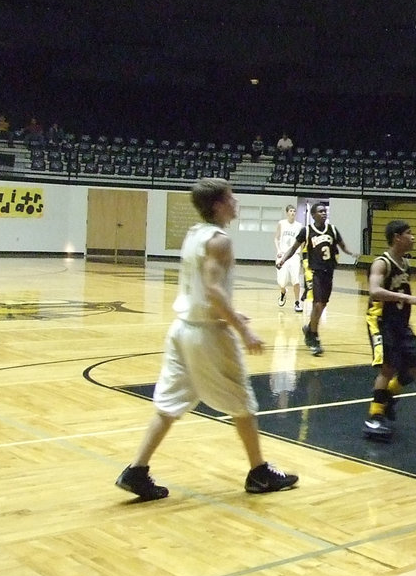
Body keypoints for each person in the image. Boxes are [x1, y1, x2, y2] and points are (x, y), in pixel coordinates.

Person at [115, 178, 298, 501]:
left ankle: (136, 471)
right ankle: (259, 473)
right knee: (243, 403)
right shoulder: (219, 240)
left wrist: (232, 313)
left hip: (182, 329)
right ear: (218, 205)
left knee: (168, 405)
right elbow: (213, 289)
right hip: (207, 335)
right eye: (230, 197)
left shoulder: (194, 233)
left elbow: (202, 289)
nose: (236, 201)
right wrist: (243, 331)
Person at [363, 219, 416, 440]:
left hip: (400, 323)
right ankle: (374, 416)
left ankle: (388, 395)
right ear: (397, 237)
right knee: (388, 367)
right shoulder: (381, 263)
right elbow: (374, 291)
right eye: (409, 233)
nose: (413, 237)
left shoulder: (406, 264)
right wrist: (409, 299)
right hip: (380, 322)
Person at [275, 200, 355, 356]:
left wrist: (351, 253)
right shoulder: (306, 231)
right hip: (314, 272)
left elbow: (342, 245)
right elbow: (293, 248)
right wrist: (282, 260)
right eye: (320, 211)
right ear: (313, 215)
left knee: (323, 304)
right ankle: (313, 337)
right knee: (317, 304)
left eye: (325, 211)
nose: (324, 213)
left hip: (329, 272)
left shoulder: (332, 229)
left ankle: (309, 328)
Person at [274, 204, 303, 311]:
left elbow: (302, 242)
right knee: (282, 282)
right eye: (290, 211)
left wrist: (301, 254)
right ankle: (283, 292)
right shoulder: (281, 223)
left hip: (294, 256)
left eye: (294, 211)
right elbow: (276, 238)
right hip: (283, 255)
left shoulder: (299, 226)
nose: (292, 213)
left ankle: (297, 303)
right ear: (287, 213)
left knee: (296, 280)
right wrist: (278, 250)